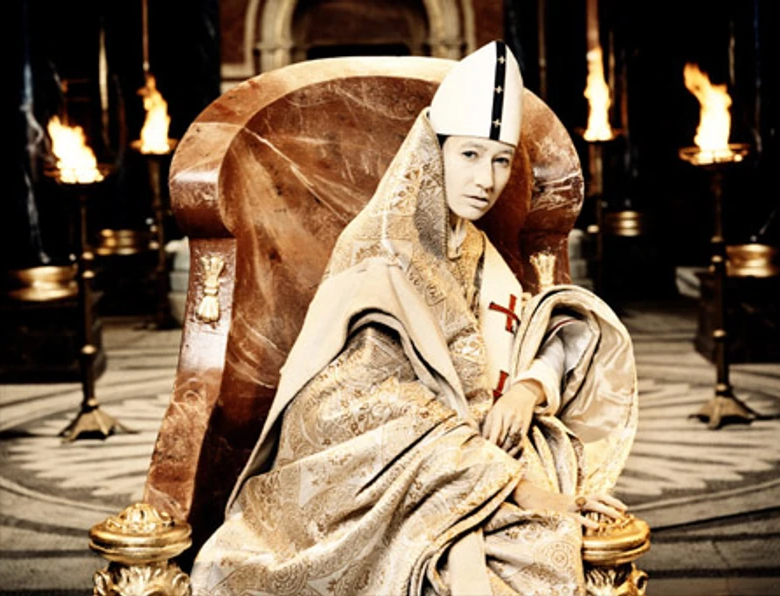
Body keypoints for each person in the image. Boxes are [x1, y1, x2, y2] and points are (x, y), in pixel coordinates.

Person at [190, 40, 638, 595]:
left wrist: (528, 389)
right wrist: (517, 487)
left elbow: (544, 330)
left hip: (467, 458)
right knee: (520, 552)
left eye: (500, 160)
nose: (486, 179)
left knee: (542, 536)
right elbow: (353, 403)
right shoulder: (379, 252)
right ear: (433, 150)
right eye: (469, 155)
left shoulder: (472, 247)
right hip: (376, 475)